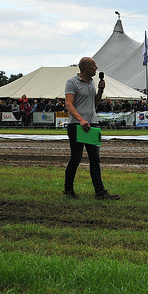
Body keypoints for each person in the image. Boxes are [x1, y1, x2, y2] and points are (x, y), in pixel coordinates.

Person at [64, 57, 119, 200]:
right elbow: (69, 105)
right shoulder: (72, 82)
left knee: (95, 159)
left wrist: (100, 91)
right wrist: (81, 120)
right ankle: (68, 190)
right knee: (75, 159)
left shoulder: (92, 83)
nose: (97, 68)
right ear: (87, 68)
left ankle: (100, 192)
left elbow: (94, 104)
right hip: (76, 125)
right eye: (94, 66)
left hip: (92, 124)